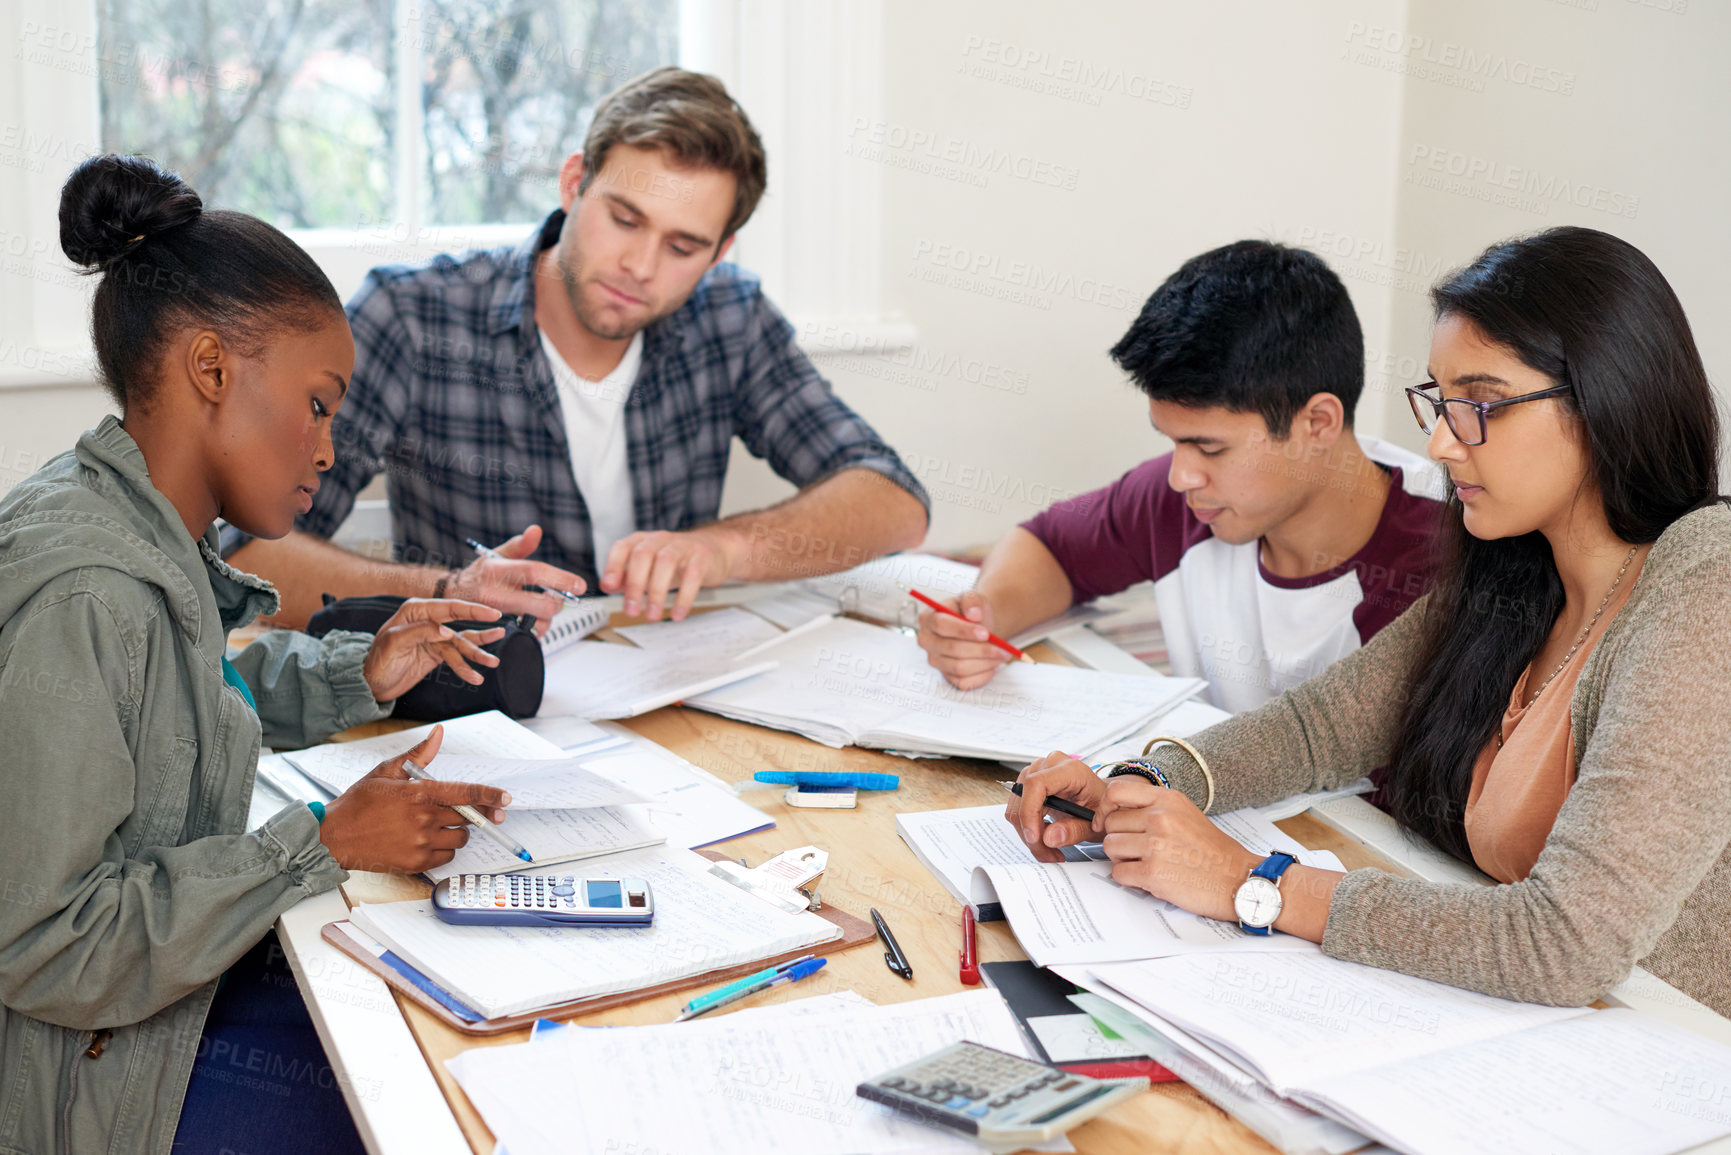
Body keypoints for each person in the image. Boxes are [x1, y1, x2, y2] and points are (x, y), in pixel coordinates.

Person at [1008, 226, 1731, 1017]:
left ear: (1606, 398)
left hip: (1677, 1058)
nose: (1442, 442)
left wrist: (1248, 882)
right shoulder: (1517, 568)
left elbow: (1559, 944)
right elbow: (1317, 729)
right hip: (1552, 1032)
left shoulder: (1706, 581)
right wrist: (1139, 786)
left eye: (1481, 404)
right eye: (1440, 401)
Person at [0, 154, 522, 1155]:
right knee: (435, 1108)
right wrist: (320, 846)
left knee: (441, 1035)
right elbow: (43, 945)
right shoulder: (90, 594)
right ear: (210, 369)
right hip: (90, 1082)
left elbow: (180, 703)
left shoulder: (135, 527)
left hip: (156, 1006)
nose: (328, 449)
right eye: (318, 404)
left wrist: (356, 672)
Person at [229, 66, 930, 630]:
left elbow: (894, 500)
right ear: (573, 185)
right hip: (475, 707)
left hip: (664, 703)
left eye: (683, 246)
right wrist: (445, 590)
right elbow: (247, 552)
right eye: (624, 219)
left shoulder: (731, 318)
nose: (641, 266)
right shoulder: (414, 316)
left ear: (720, 253)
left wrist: (725, 548)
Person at [917, 240, 1444, 712]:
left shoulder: (1451, 554)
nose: (1180, 476)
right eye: (1172, 441)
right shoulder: (1183, 501)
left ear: (1318, 423)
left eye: (1209, 447)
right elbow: (1049, 546)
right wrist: (983, 622)